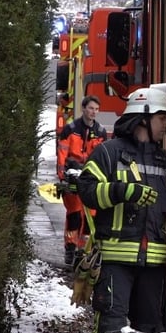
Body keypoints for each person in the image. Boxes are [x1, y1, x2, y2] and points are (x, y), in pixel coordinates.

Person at [77, 83, 166, 333]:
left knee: (150, 330)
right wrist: (122, 190)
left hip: (154, 264)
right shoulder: (108, 153)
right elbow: (86, 190)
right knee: (112, 327)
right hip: (117, 260)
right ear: (144, 117)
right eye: (163, 118)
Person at [57, 95, 107, 267]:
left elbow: (102, 157)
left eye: (97, 109)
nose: (94, 112)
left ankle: (83, 251)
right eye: (91, 108)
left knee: (90, 218)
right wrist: (63, 177)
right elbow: (62, 154)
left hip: (90, 178)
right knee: (74, 217)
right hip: (72, 177)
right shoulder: (70, 129)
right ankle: (70, 249)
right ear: (84, 108)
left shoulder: (100, 132)